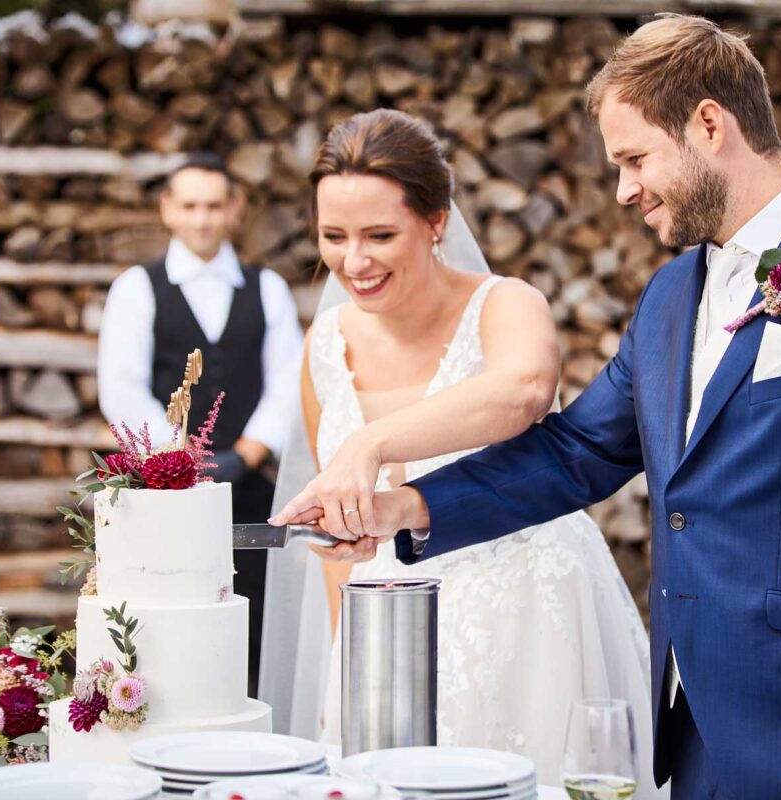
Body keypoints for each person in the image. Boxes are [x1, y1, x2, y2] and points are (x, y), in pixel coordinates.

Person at [301, 16, 781, 800]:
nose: (624, 189)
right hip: (690, 730)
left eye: (634, 159)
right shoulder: (667, 297)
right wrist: (402, 506)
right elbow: (576, 452)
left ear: (709, 124)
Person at [264, 108, 664, 793]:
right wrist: (343, 658)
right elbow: (334, 537)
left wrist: (370, 442)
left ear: (437, 220)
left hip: (528, 623)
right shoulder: (324, 345)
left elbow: (524, 391)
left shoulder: (506, 304)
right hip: (384, 635)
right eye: (334, 236)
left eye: (379, 235)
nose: (353, 261)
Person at [97, 152, 304, 695]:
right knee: (165, 616)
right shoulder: (137, 287)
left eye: (214, 205)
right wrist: (178, 459)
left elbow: (288, 381)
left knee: (255, 613)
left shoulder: (268, 288)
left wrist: (250, 450)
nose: (203, 218)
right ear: (168, 208)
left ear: (235, 209)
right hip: (160, 491)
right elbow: (120, 388)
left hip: (254, 484)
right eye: (190, 205)